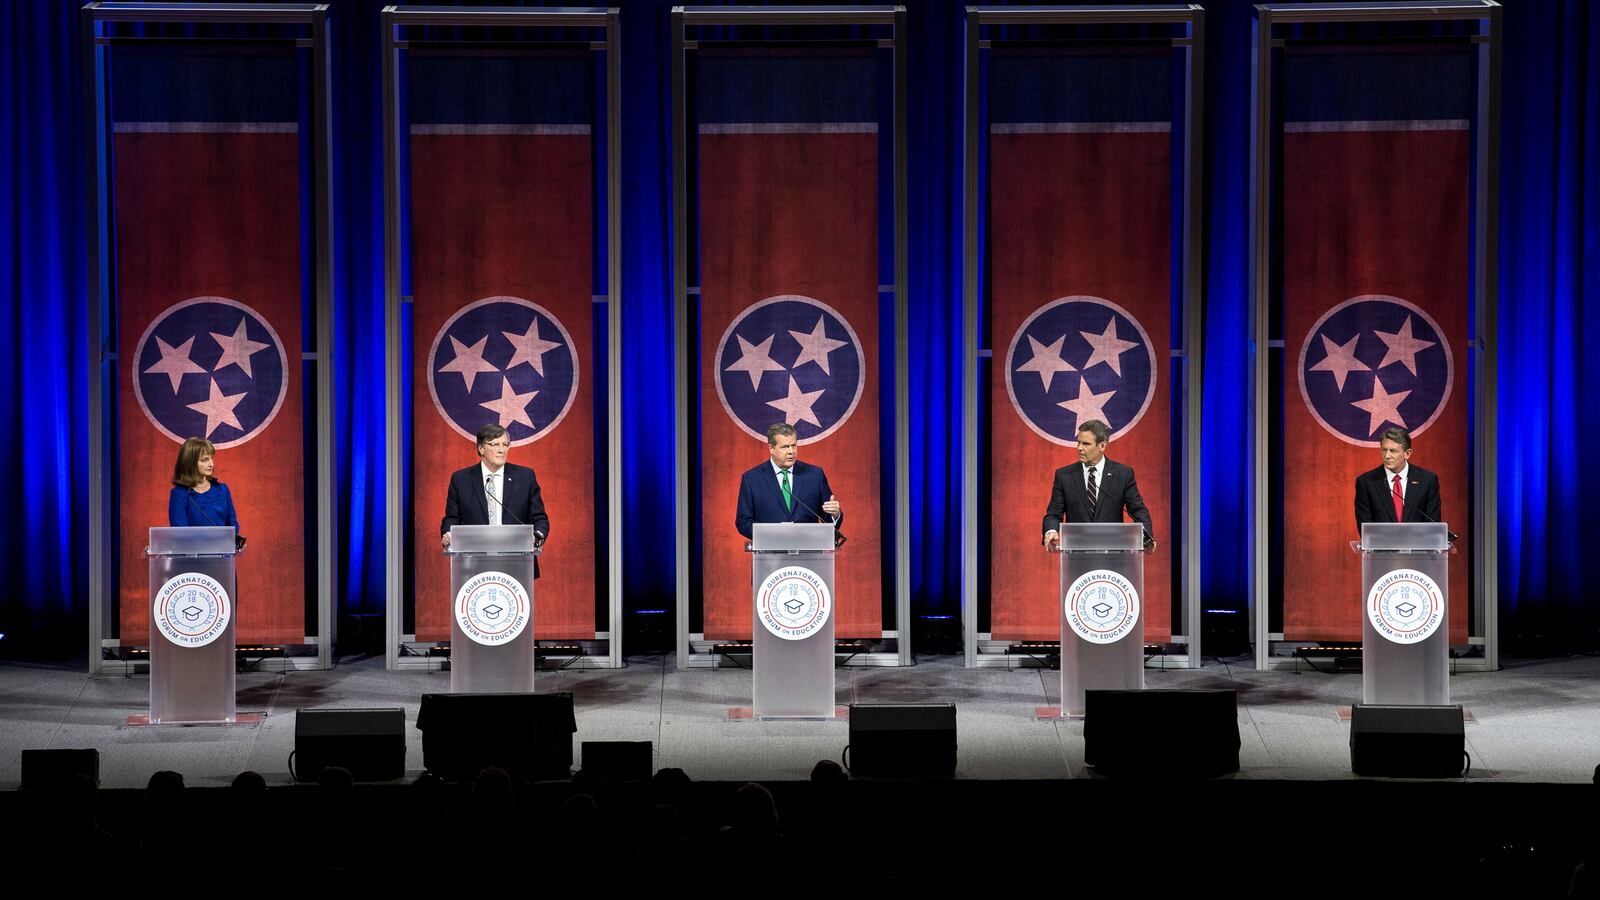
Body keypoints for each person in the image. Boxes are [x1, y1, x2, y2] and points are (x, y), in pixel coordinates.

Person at [441, 423, 549, 575]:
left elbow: (540, 518)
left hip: (517, 563)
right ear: (481, 449)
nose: (502, 450)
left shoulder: (525, 477)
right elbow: (451, 519)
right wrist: (448, 534)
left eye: (505, 445)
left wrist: (538, 535)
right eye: (495, 444)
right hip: (473, 563)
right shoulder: (461, 479)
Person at [1041, 419, 1154, 550]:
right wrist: (1051, 531)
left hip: (1114, 555)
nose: (1079, 448)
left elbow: (1138, 510)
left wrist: (1147, 538)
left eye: (1086, 444)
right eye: (1078, 442)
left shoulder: (1122, 474)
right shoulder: (1064, 476)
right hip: (1076, 556)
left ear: (1102, 446)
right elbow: (1054, 514)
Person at [735, 423, 842, 539]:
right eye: (785, 447)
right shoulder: (752, 479)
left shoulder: (815, 475)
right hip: (770, 553)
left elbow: (828, 519)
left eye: (794, 445)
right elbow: (743, 522)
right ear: (771, 448)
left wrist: (835, 514)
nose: (791, 451)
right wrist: (773, 535)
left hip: (808, 552)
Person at [1354, 425, 1441, 531]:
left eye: (1393, 451)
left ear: (1407, 453)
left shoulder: (1427, 480)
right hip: (1382, 546)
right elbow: (1366, 529)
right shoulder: (1366, 482)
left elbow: (1433, 524)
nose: (1387, 456)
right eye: (1384, 450)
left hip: (1418, 546)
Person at [168, 437, 239, 532]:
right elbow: (180, 534)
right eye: (205, 460)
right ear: (190, 463)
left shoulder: (223, 490)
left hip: (222, 547)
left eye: (211, 458)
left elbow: (233, 528)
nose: (211, 464)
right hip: (192, 547)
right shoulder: (179, 494)